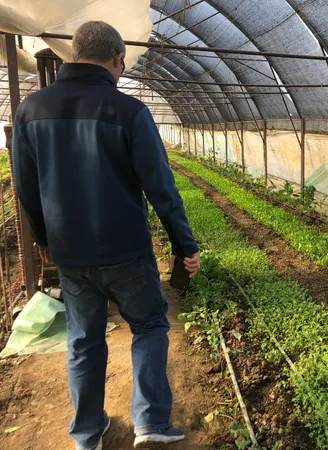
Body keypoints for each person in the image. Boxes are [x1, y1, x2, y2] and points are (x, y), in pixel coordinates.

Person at [12, 21, 199, 450]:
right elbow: (160, 188)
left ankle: (87, 434)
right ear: (118, 60)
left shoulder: (30, 111)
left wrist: (44, 240)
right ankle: (150, 422)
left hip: (71, 256)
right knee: (150, 326)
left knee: (83, 339)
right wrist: (184, 246)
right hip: (127, 254)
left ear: (72, 55)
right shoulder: (129, 111)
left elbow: (26, 188)